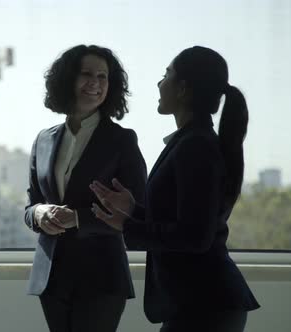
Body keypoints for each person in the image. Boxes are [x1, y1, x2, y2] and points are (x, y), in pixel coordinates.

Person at [90, 46, 260, 332]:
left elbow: (195, 236)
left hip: (205, 306)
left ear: (183, 89)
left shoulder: (196, 146)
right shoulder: (191, 142)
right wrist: (134, 209)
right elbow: (184, 219)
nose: (159, 83)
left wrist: (128, 226)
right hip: (197, 303)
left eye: (166, 74)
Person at [24, 45, 147, 332]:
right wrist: (40, 213)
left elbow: (138, 212)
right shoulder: (43, 140)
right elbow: (30, 206)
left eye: (103, 76)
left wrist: (77, 218)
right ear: (67, 80)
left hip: (102, 276)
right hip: (51, 275)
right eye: (86, 74)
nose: (95, 82)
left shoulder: (122, 140)